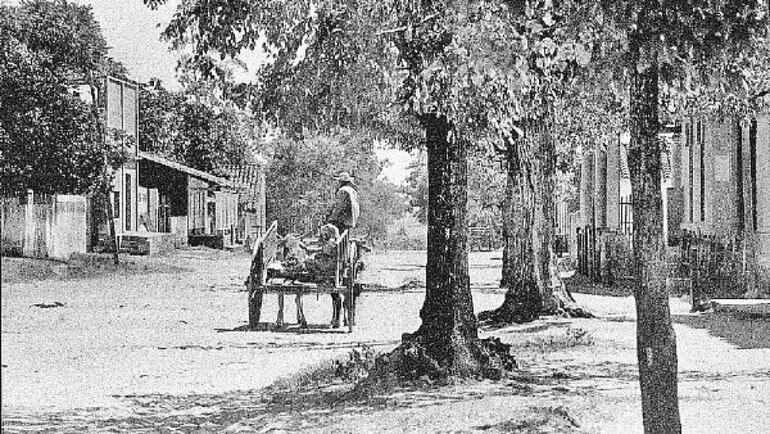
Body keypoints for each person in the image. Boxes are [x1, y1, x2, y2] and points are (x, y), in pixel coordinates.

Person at [325, 171, 360, 328]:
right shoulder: (353, 191)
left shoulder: (342, 192)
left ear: (341, 182)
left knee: (328, 235)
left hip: (340, 225)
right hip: (348, 226)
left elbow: (338, 210)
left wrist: (330, 219)